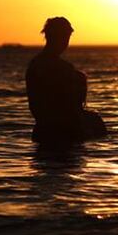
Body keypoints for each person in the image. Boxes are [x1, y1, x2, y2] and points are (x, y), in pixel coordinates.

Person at [26, 17, 107, 145]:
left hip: (42, 130)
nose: (66, 43)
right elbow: (69, 104)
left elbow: (35, 105)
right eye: (65, 37)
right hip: (65, 132)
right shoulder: (63, 68)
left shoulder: (34, 65)